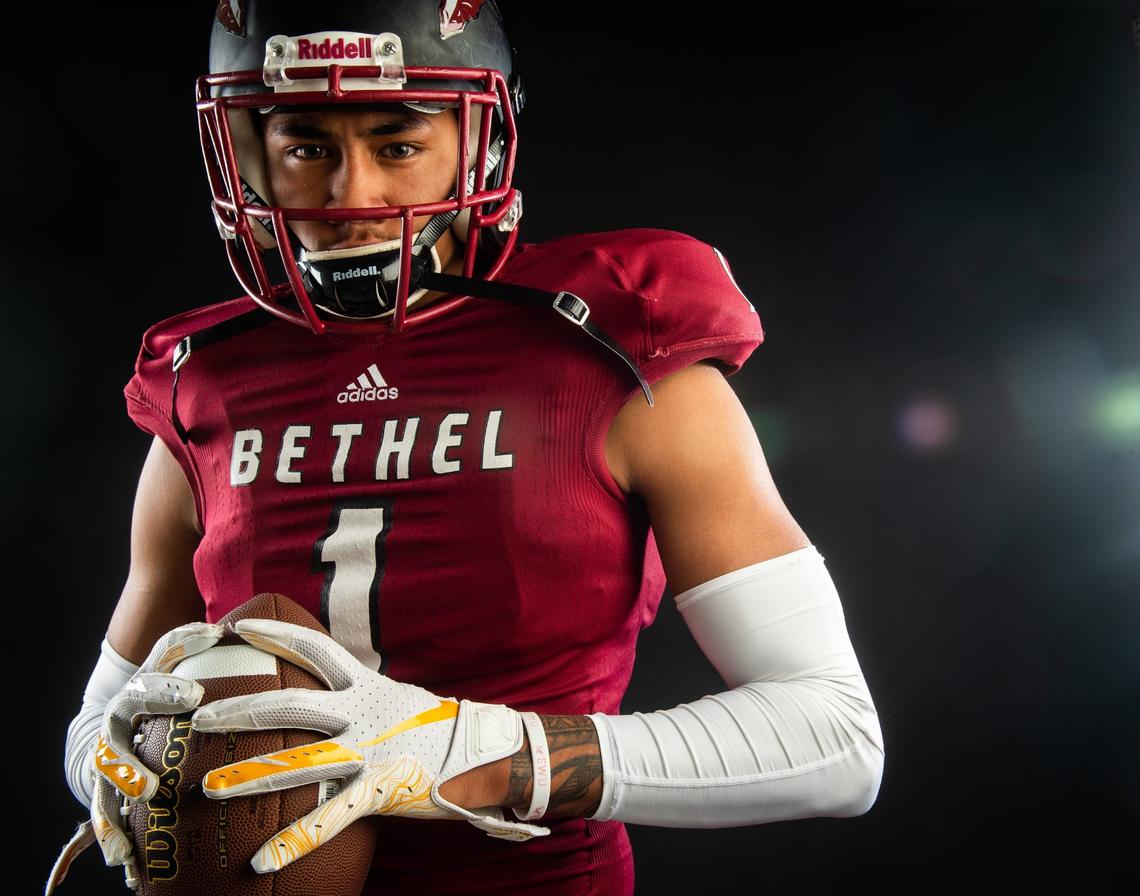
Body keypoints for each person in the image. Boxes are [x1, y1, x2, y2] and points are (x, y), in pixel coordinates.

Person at [56, 2, 884, 893]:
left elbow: (835, 738)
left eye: (398, 145)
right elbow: (101, 720)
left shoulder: (611, 345)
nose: (351, 197)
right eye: (307, 148)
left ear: (480, 140)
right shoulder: (202, 378)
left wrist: (475, 750)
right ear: (246, 153)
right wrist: (117, 763)